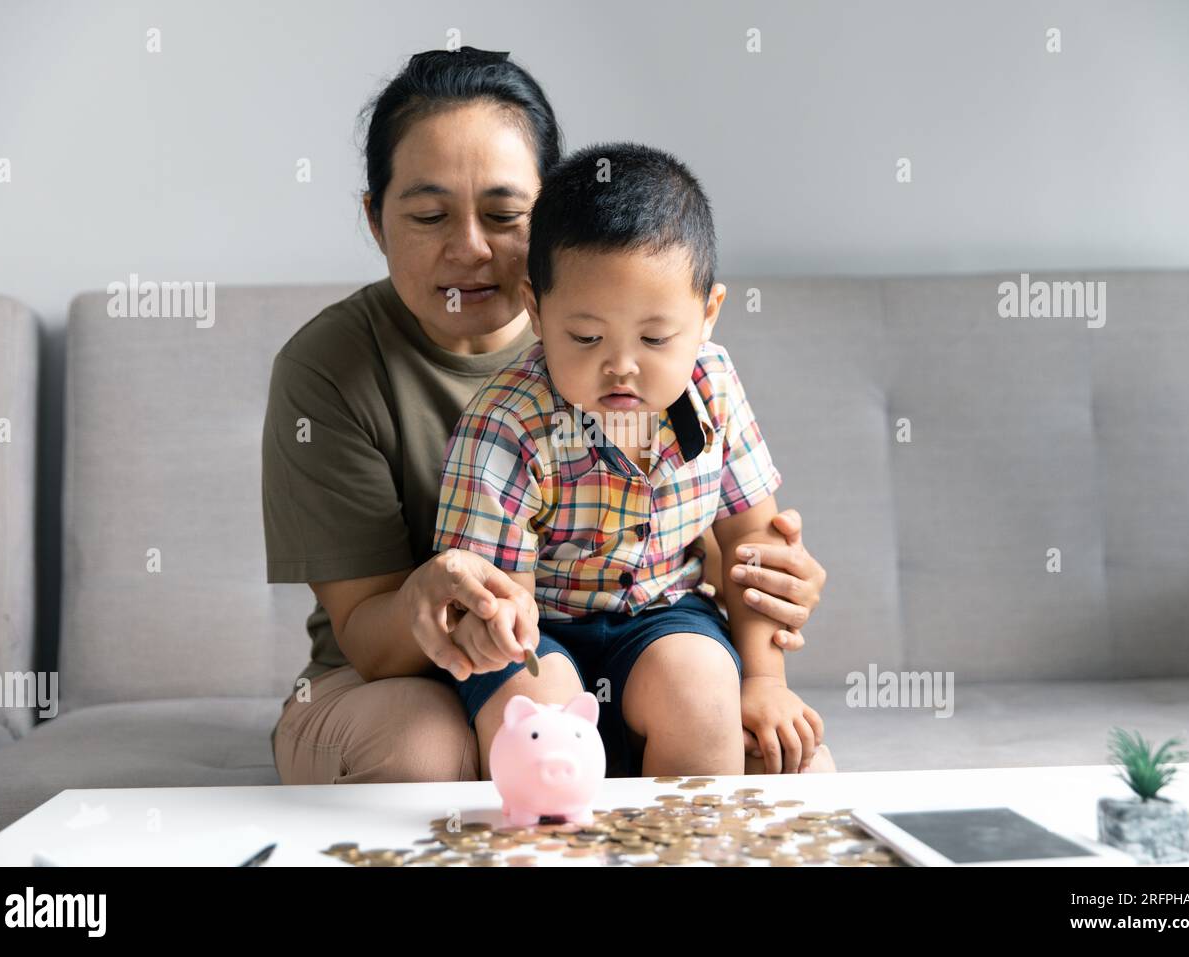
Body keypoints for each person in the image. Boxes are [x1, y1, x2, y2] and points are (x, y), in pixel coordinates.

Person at [262, 47, 833, 785]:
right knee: (434, 747)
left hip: (645, 637)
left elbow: (716, 539)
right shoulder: (336, 371)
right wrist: (435, 602)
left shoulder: (639, 333)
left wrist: (772, 586)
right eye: (429, 214)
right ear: (376, 220)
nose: (469, 249)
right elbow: (370, 636)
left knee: (782, 752)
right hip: (400, 675)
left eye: (504, 216)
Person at [433, 142, 826, 778]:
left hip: (664, 616)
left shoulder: (714, 387)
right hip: (542, 632)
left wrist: (765, 680)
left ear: (707, 316)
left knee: (700, 692)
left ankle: (683, 845)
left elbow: (755, 546)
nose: (621, 365)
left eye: (654, 338)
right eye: (586, 338)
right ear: (536, 311)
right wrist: (500, 626)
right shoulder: (508, 423)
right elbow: (497, 600)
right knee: (541, 718)